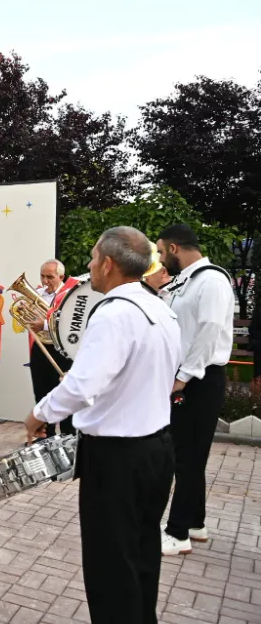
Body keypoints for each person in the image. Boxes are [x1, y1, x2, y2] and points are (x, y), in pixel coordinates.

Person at [24, 226, 179, 624]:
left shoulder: (113, 313)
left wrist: (40, 413)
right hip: (157, 450)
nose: (89, 266)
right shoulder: (160, 307)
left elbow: (83, 385)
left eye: (93, 258)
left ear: (108, 264)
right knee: (142, 552)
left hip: (116, 458)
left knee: (110, 563)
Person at [156, 224, 235, 556]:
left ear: (174, 248)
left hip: (200, 379)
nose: (159, 258)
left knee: (186, 458)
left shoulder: (212, 281)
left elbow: (209, 332)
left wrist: (183, 377)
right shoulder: (185, 281)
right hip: (188, 378)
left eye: (161, 251)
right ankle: (195, 524)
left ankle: (177, 534)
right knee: (187, 456)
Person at [27, 260, 74, 437]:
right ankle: (45, 436)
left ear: (61, 277)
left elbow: (71, 322)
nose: (45, 281)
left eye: (50, 277)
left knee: (65, 395)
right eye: (42, 276)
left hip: (63, 350)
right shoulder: (37, 294)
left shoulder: (70, 295)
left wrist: (45, 324)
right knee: (41, 392)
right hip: (40, 348)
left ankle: (68, 436)